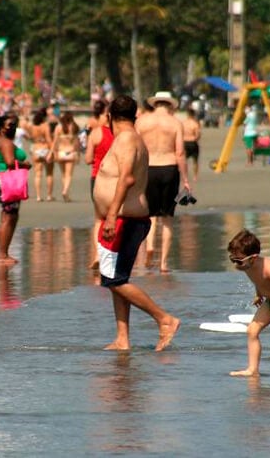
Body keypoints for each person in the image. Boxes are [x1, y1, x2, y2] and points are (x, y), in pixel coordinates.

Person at [94, 95, 180, 351]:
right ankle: (123, 338)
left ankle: (165, 319)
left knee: (113, 280)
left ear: (109, 117)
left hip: (123, 220)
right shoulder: (133, 139)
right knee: (117, 281)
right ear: (136, 116)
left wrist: (110, 216)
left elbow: (127, 179)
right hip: (126, 218)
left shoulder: (127, 139)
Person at [227, 229, 270, 379]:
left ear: (253, 257)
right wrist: (259, 294)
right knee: (252, 331)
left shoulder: (269, 268)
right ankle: (253, 369)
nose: (236, 264)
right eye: (232, 259)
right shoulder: (246, 266)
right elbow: (257, 280)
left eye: (238, 260)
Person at [135, 91, 191, 273]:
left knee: (149, 214)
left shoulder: (142, 121)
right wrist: (185, 179)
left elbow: (135, 147)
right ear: (170, 105)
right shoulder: (175, 123)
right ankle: (164, 264)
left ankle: (149, 246)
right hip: (169, 168)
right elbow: (180, 153)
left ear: (155, 103)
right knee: (167, 218)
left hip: (149, 168)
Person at [0, 113, 31, 265]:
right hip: (8, 182)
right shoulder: (6, 143)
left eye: (14, 125)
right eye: (9, 125)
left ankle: (3, 253)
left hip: (0, 180)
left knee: (6, 217)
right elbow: (10, 162)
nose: (12, 127)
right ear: (2, 127)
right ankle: (3, 254)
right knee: (9, 217)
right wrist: (26, 165)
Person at [85, 99, 113, 269]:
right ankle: (110, 256)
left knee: (98, 220)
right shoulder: (121, 135)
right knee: (114, 218)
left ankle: (97, 255)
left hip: (97, 179)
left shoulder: (96, 133)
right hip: (114, 180)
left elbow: (88, 159)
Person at [51, 111, 80, 202]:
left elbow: (55, 141)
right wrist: (78, 154)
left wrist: (53, 152)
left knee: (63, 174)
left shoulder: (58, 127)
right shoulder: (74, 127)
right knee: (69, 175)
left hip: (61, 152)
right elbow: (76, 143)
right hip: (70, 152)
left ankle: (66, 193)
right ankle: (65, 191)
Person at [28, 108, 54, 201]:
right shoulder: (45, 126)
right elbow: (48, 139)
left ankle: (38, 196)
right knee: (49, 173)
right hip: (45, 148)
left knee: (37, 174)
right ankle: (49, 195)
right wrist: (52, 150)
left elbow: (31, 138)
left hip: (36, 148)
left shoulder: (32, 126)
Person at [183, 108, 202, 181]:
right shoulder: (195, 123)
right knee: (195, 161)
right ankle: (195, 177)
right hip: (193, 142)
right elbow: (197, 135)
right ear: (193, 115)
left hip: (185, 142)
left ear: (187, 114)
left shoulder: (183, 123)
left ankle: (185, 176)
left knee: (184, 161)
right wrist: (195, 139)